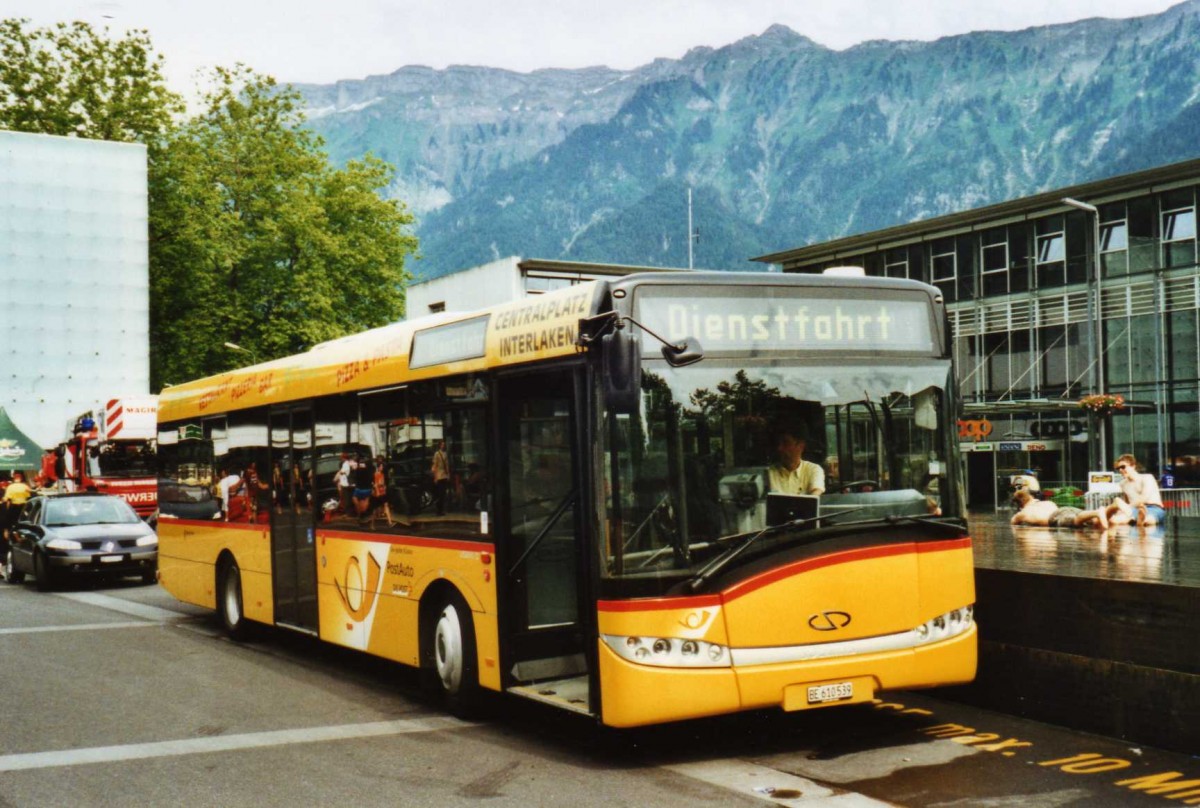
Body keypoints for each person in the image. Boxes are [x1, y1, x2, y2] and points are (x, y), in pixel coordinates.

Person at [1010, 489, 1120, 529]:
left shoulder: (1024, 512)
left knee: (1076, 521)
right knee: (1095, 522)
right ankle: (1112, 507)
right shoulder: (1047, 502)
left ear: (1020, 504)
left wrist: (1020, 512)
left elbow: (1013, 521)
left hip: (1053, 518)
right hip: (1063, 509)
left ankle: (1098, 511)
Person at [767, 424, 825, 496]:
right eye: (779, 443)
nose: (780, 448)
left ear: (801, 446)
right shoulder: (769, 473)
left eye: (786, 443)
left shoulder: (813, 469)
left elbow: (816, 494)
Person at [1112, 453, 1167, 527]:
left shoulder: (1147, 478)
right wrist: (1122, 510)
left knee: (1149, 520)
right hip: (1135, 509)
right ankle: (1137, 519)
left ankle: (1139, 519)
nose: (1120, 470)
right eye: (1118, 468)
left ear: (1133, 466)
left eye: (1123, 467)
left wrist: (1126, 507)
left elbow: (1144, 498)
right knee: (1115, 520)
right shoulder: (1123, 484)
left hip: (1153, 507)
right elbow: (1126, 501)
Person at [431, 440, 450, 515]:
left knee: (443, 493)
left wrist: (448, 474)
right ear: (439, 445)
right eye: (442, 445)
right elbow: (434, 465)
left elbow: (447, 465)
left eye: (444, 445)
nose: (443, 446)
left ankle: (441, 509)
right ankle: (439, 510)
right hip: (439, 475)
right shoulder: (437, 454)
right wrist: (435, 477)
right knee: (440, 493)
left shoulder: (445, 454)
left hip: (443, 475)